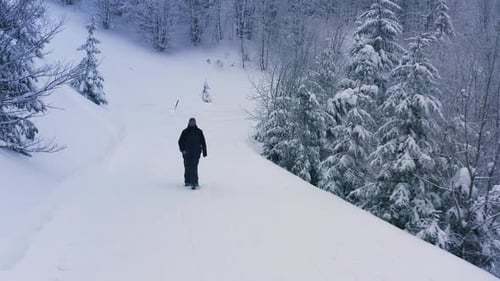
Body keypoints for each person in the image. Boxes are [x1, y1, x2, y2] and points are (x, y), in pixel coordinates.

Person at [178, 117, 207, 189]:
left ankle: (194, 183)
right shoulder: (185, 132)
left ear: (195, 123)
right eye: (191, 122)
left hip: (196, 153)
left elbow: (203, 142)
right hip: (187, 153)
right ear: (189, 123)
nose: (192, 123)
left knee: (194, 167)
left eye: (193, 122)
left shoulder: (199, 131)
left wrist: (204, 152)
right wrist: (183, 150)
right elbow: (180, 141)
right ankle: (187, 182)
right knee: (187, 167)